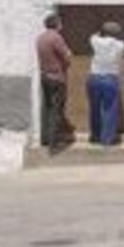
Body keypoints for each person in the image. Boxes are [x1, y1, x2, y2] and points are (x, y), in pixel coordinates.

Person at [35, 12, 72, 152]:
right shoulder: (56, 38)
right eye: (60, 23)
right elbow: (66, 56)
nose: (61, 25)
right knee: (57, 109)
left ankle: (44, 138)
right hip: (57, 78)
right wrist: (68, 58)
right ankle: (53, 142)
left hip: (45, 76)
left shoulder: (40, 38)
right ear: (56, 24)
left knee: (47, 107)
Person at [86, 21, 124, 146]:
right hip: (110, 78)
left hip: (95, 78)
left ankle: (95, 136)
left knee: (94, 108)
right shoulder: (120, 45)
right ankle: (107, 139)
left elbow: (92, 36)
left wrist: (99, 32)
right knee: (109, 109)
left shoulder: (95, 41)